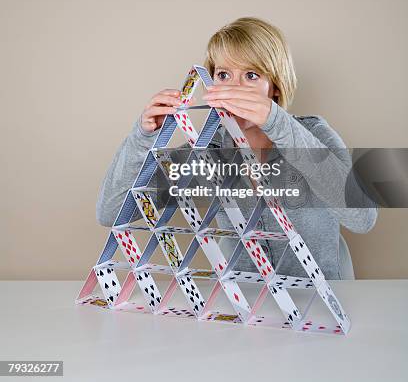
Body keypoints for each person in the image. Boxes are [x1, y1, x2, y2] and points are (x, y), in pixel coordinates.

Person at [96, 16, 378, 280]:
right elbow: (112, 213)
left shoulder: (312, 133)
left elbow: (363, 218)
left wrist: (276, 122)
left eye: (252, 75)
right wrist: (141, 137)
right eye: (223, 75)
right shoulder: (205, 150)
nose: (235, 89)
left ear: (275, 87)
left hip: (327, 302)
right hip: (245, 304)